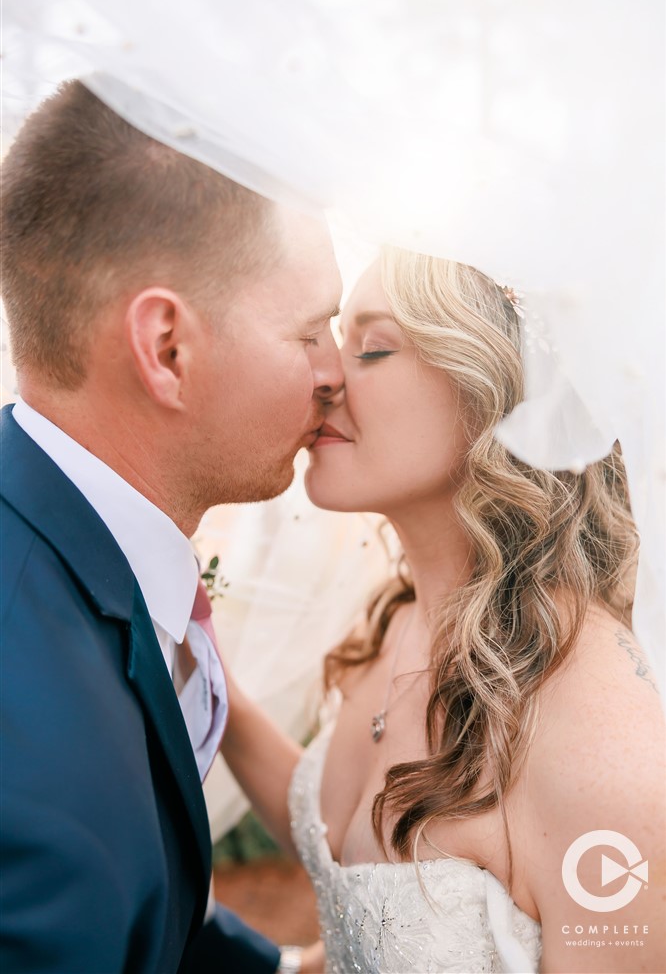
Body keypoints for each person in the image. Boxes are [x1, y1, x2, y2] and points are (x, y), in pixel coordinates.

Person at [221, 250, 665, 973]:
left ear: (493, 391)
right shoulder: (402, 621)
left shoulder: (604, 751)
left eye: (371, 347)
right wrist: (197, 660)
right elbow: (343, 860)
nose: (326, 375)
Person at [0, 80, 342, 973]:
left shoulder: (70, 546)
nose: (337, 373)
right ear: (168, 350)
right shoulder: (37, 762)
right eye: (312, 332)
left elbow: (141, 896)